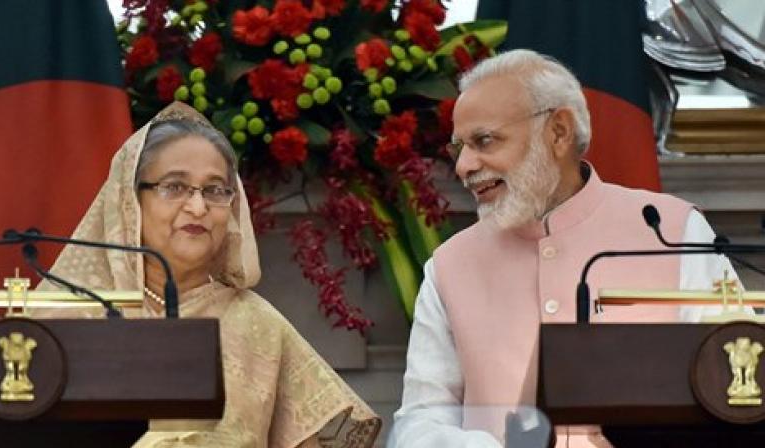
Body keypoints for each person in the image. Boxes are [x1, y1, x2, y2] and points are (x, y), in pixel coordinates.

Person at [390, 49, 742, 447]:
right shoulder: (449, 266)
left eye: (484, 141)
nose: (464, 166)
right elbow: (418, 425)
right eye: (459, 148)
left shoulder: (676, 232)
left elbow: (737, 387)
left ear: (558, 132)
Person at [36, 102, 380, 448]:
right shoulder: (66, 321)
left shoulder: (257, 325)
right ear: (130, 200)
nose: (198, 208)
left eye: (215, 191)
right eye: (174, 187)